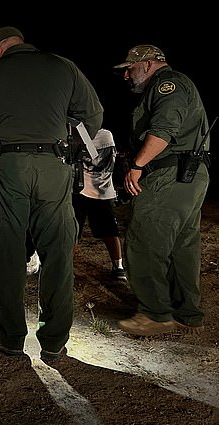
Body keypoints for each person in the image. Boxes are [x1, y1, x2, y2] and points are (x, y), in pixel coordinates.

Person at [0, 26, 103, 361]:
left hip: (9, 165)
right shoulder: (62, 66)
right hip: (53, 163)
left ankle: (12, 338)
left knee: (8, 251)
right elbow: (94, 115)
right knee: (57, 250)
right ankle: (55, 340)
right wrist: (65, 140)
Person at [113, 45, 210, 337]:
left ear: (149, 63)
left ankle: (155, 313)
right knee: (182, 245)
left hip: (170, 172)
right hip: (188, 174)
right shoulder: (174, 85)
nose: (126, 75)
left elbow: (164, 129)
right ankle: (186, 313)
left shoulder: (168, 85)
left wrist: (138, 165)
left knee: (144, 237)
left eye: (130, 68)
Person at [72, 128, 127, 281]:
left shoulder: (90, 136)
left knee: (105, 230)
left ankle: (118, 266)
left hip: (87, 190)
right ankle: (119, 267)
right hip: (98, 190)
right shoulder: (107, 134)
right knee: (76, 231)